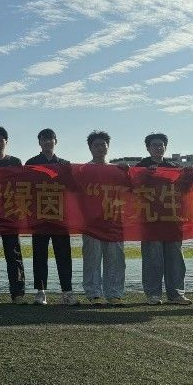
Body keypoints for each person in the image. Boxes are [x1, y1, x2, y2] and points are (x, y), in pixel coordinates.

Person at [135, 133, 192, 306]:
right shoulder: (141, 167)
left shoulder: (174, 168)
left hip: (172, 219)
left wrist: (190, 175)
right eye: (154, 145)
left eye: (161, 145)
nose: (158, 148)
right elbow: (131, 187)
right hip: (150, 220)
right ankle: (153, 294)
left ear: (165, 147)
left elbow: (185, 190)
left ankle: (176, 294)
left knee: (175, 258)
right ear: (148, 148)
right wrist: (146, 175)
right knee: (152, 258)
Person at [25, 128, 76, 306]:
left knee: (64, 255)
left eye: (50, 139)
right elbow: (26, 188)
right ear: (39, 142)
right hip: (39, 216)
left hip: (60, 217)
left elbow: (73, 188)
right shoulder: (31, 163)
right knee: (39, 255)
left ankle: (67, 292)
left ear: (56, 141)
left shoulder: (65, 164)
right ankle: (41, 292)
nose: (47, 142)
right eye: (44, 139)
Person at [80, 130, 127, 306]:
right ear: (90, 148)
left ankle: (114, 293)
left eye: (103, 144)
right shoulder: (83, 170)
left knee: (115, 259)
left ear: (108, 147)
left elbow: (131, 189)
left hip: (114, 220)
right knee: (92, 258)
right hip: (91, 223)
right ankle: (94, 294)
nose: (100, 148)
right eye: (96, 145)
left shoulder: (117, 170)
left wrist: (127, 172)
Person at [0, 125, 27, 303]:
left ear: (6, 141)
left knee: (13, 254)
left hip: (10, 214)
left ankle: (17, 293)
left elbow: (23, 186)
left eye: (1, 140)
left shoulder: (15, 161)